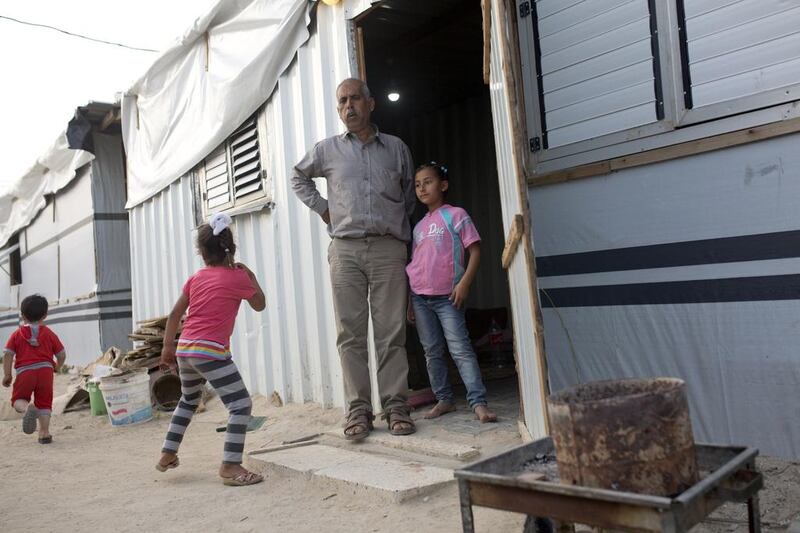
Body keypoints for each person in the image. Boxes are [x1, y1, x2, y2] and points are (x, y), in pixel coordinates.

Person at [292, 78, 417, 440]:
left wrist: (393, 227)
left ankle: (397, 408)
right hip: (345, 250)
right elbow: (298, 176)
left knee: (391, 333)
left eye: (355, 99)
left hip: (388, 249)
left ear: (370, 103)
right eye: (342, 101)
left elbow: (408, 195)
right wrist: (324, 210)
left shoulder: (396, 149)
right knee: (350, 335)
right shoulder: (327, 150)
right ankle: (359, 412)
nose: (349, 107)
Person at [156, 213, 267, 486]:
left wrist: (167, 348)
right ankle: (230, 465)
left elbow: (174, 315)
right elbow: (260, 304)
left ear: (202, 252)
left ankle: (168, 453)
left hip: (185, 349)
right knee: (240, 405)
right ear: (232, 249)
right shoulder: (239, 278)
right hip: (211, 352)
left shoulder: (196, 278)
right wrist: (250, 275)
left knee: (188, 401)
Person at [406, 162, 497, 423]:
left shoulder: (455, 214)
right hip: (419, 297)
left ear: (443, 185)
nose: (422, 188)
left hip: (447, 297)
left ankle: (478, 402)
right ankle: (444, 399)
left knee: (460, 349)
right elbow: (416, 263)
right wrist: (409, 303)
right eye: (417, 184)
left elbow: (475, 250)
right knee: (432, 350)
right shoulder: (419, 226)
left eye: (428, 182)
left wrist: (464, 283)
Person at [2, 294, 66, 443]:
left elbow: (7, 354)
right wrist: (57, 366)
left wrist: (7, 374)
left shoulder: (17, 334)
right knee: (44, 402)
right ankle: (44, 433)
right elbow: (61, 354)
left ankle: (27, 408)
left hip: (25, 372)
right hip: (45, 372)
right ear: (45, 315)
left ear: (22, 316)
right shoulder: (49, 334)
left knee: (18, 400)